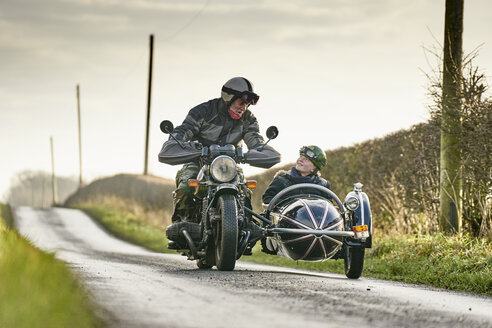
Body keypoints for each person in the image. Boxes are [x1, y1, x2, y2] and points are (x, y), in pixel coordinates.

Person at [159, 77, 280, 225]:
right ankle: (181, 226)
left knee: (244, 191)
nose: (243, 107)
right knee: (186, 184)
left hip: (229, 166)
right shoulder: (203, 111)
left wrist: (262, 151)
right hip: (199, 163)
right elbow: (184, 131)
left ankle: (246, 228)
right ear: (229, 97)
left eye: (247, 104)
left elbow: (256, 141)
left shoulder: (248, 119)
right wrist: (175, 142)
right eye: (241, 102)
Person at [262, 145, 330, 205]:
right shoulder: (281, 180)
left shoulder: (322, 185)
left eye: (306, 159)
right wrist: (289, 205)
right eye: (301, 156)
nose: (300, 160)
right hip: (286, 218)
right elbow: (267, 199)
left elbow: (328, 205)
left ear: (314, 168)